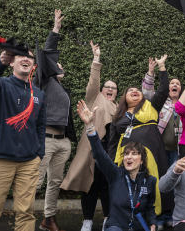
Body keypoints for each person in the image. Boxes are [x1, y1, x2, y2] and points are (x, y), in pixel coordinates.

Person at [0, 41, 46, 231]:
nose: (26, 58)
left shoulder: (39, 94)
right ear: (12, 62)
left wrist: (39, 153)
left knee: (26, 214)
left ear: (34, 65)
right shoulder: (0, 85)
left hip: (29, 162)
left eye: (30, 57)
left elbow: (40, 126)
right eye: (20, 55)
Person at [61, 41, 118, 231]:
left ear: (117, 93)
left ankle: (108, 220)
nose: (110, 89)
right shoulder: (95, 97)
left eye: (114, 88)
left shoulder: (119, 107)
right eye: (107, 87)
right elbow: (94, 80)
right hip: (91, 150)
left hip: (110, 153)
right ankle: (87, 221)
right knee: (90, 186)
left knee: (107, 187)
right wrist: (96, 58)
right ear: (102, 90)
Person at [107, 54, 173, 218]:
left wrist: (162, 67)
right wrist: (110, 164)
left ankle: (151, 218)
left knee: (152, 184)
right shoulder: (118, 116)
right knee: (129, 187)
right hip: (126, 156)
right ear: (125, 97)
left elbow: (164, 89)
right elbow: (112, 143)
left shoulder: (151, 106)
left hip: (151, 153)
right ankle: (128, 218)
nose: (135, 91)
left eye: (137, 90)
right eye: (130, 91)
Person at [76, 100, 157, 231]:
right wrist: (90, 126)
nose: (129, 157)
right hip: (116, 226)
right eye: (126, 154)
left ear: (142, 160)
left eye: (134, 154)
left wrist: (153, 224)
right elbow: (100, 155)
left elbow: (150, 207)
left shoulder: (150, 181)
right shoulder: (115, 174)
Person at [32, 10, 77, 231]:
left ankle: (48, 219)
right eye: (57, 65)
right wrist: (55, 30)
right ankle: (22, 220)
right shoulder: (44, 81)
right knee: (35, 181)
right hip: (45, 140)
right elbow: (47, 57)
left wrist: (68, 140)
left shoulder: (60, 89)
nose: (61, 66)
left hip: (62, 141)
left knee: (55, 183)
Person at [142, 57, 183, 230]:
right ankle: (157, 215)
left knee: (174, 182)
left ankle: (170, 215)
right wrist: (151, 72)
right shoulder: (160, 103)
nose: (174, 85)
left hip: (177, 151)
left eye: (177, 84)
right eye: (171, 83)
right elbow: (146, 92)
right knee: (158, 181)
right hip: (159, 149)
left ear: (181, 89)